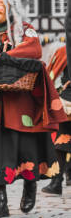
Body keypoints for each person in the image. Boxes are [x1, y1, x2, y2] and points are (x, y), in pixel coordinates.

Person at [0, 0, 66, 218]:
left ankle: (30, 187)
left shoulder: (25, 30)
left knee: (26, 147)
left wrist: (2, 56)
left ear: (10, 4)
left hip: (22, 103)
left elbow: (32, 51)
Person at [42, 45, 71, 194]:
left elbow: (52, 76)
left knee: (62, 140)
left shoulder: (65, 50)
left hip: (68, 98)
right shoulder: (63, 51)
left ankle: (57, 181)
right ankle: (62, 177)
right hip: (67, 98)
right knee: (63, 138)